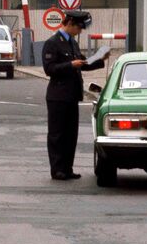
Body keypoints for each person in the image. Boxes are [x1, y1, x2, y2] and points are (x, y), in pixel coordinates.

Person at [41, 10, 108, 181]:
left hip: (72, 95)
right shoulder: (52, 43)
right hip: (58, 95)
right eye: (78, 27)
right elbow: (50, 69)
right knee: (57, 134)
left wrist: (100, 60)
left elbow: (82, 64)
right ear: (69, 23)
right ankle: (57, 170)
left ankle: (67, 168)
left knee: (71, 134)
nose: (80, 31)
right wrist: (70, 65)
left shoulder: (73, 43)